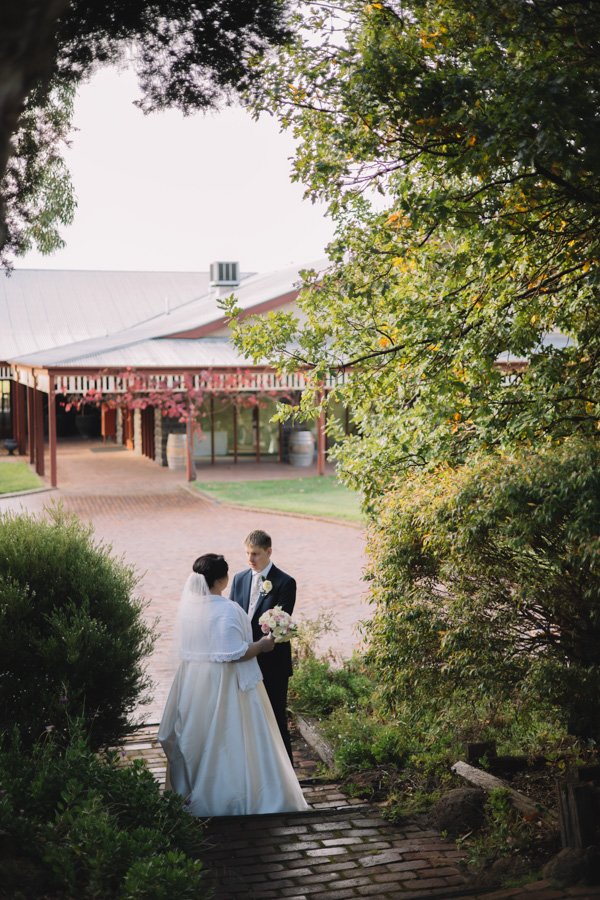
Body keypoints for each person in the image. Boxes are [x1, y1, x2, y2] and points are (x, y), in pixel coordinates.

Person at [158, 553, 307, 817]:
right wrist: (261, 646)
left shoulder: (189, 610)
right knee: (234, 736)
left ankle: (196, 790)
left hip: (193, 684)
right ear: (222, 579)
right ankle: (241, 793)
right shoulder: (228, 610)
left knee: (198, 734)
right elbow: (236, 651)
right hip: (225, 685)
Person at [229, 530, 296, 763]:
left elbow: (281, 623)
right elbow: (231, 617)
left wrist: (261, 645)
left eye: (255, 554)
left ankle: (288, 777)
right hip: (243, 659)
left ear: (268, 552)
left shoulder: (285, 582)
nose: (250, 559)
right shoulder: (239, 579)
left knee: (276, 720)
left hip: (272, 664)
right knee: (245, 720)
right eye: (247, 553)